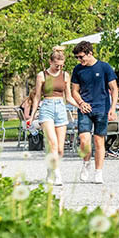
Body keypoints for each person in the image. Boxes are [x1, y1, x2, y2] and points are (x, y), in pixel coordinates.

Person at [69, 41, 119, 184]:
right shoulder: (78, 69)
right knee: (84, 140)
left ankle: (98, 172)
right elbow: (74, 91)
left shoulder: (104, 67)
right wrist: (81, 103)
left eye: (81, 57)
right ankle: (86, 163)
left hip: (101, 108)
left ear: (90, 53)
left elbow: (114, 89)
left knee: (98, 141)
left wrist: (113, 108)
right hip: (85, 109)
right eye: (77, 57)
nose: (79, 60)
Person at [29, 47, 78, 185]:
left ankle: (50, 171)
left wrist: (80, 106)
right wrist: (32, 116)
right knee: (53, 143)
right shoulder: (42, 75)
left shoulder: (65, 75)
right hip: (47, 108)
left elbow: (68, 96)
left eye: (61, 65)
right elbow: (37, 97)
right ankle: (57, 175)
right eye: (57, 65)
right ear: (50, 62)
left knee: (60, 150)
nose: (59, 68)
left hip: (61, 108)